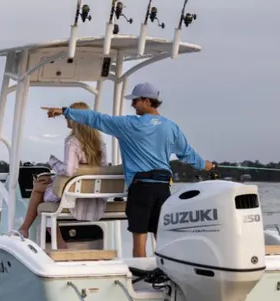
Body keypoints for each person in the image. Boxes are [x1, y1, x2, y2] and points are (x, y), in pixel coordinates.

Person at [43, 82, 214, 257]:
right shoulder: (171, 127)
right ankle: (163, 275)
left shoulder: (129, 124)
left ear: (147, 101)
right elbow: (187, 154)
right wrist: (205, 165)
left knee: (139, 239)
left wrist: (65, 111)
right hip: (163, 187)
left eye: (136, 101)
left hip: (141, 187)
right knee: (160, 237)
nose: (132, 105)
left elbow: (96, 119)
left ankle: (139, 275)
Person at [17, 102, 107, 247]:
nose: (66, 117)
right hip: (95, 196)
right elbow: (96, 169)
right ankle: (25, 229)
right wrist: (53, 178)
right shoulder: (99, 143)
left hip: (74, 195)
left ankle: (28, 230)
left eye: (69, 115)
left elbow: (69, 171)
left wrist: (52, 162)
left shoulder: (72, 142)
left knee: (41, 192)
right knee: (43, 185)